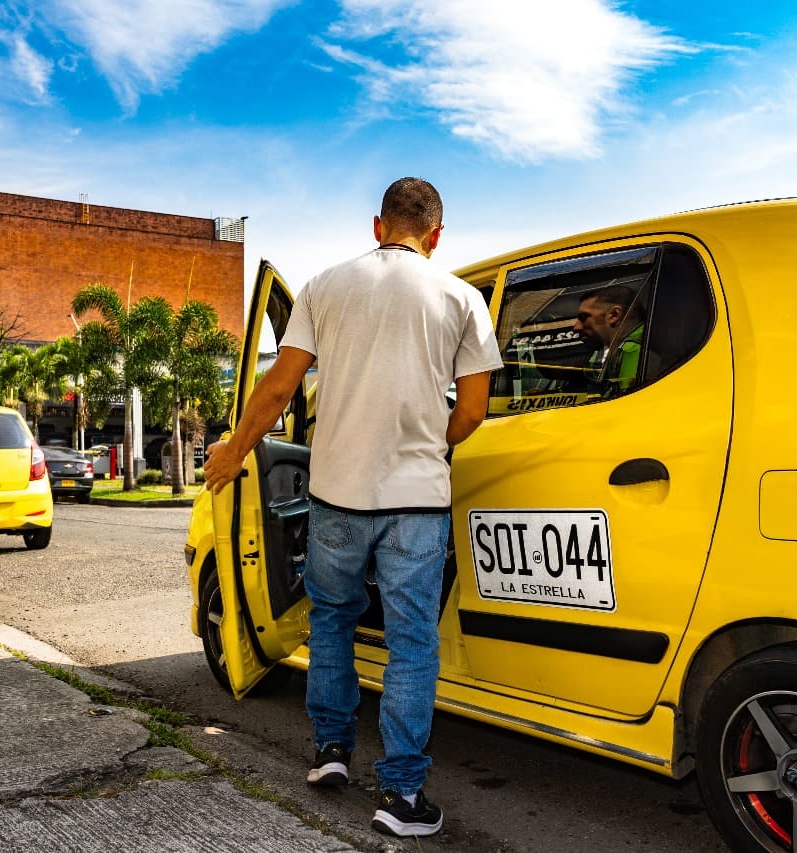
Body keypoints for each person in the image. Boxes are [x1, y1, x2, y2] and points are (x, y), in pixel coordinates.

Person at [203, 177, 502, 838]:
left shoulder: (324, 286)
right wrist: (429, 439)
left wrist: (234, 449)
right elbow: (474, 409)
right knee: (412, 643)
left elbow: (279, 386)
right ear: (436, 234)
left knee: (332, 620)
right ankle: (400, 795)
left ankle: (331, 753)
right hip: (416, 503)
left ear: (378, 225)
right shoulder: (462, 298)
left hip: (336, 492)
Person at [573, 284, 648, 393]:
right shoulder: (639, 345)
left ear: (614, 315)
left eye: (584, 317)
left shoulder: (633, 349)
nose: (576, 327)